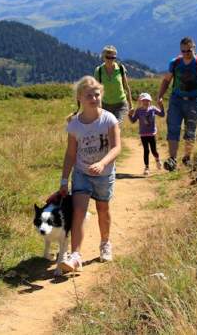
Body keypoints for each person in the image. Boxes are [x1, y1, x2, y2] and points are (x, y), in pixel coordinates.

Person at [47, 76, 121, 273]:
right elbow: (71, 154)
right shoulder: (74, 125)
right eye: (89, 95)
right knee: (79, 212)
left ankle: (105, 243)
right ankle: (76, 256)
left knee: (103, 209)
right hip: (81, 173)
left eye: (97, 95)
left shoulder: (109, 119)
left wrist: (102, 163)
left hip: (104, 174)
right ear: (80, 97)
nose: (94, 98)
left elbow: (116, 148)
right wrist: (64, 180)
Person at [156, 36, 197, 171]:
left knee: (190, 131)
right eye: (183, 51)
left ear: (194, 48)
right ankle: (172, 159)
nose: (186, 53)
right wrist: (160, 96)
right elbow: (166, 80)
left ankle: (187, 158)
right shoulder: (175, 63)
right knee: (173, 128)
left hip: (193, 102)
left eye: (188, 51)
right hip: (176, 100)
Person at [128, 92, 165, 175]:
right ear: (141, 102)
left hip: (152, 134)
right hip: (143, 134)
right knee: (146, 150)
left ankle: (157, 160)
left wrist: (161, 105)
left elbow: (162, 114)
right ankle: (147, 167)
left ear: (150, 101)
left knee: (154, 150)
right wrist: (130, 115)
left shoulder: (153, 109)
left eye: (147, 100)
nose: (146, 102)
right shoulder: (138, 111)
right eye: (144, 100)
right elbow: (133, 121)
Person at [94, 45, 133, 123]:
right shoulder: (99, 71)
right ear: (103, 57)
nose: (110, 60)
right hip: (105, 105)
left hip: (121, 104)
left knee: (116, 125)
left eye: (113, 58)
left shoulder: (120, 68)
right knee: (107, 129)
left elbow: (126, 87)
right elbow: (96, 90)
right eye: (108, 57)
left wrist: (131, 106)